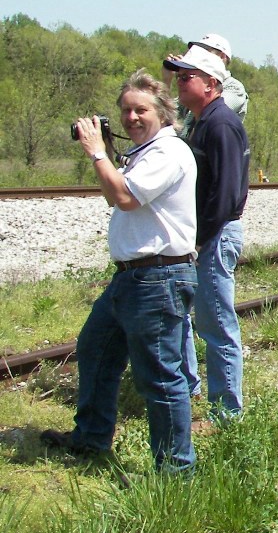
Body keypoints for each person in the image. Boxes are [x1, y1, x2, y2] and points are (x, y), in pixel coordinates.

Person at [41, 70, 198, 472]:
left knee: (160, 378)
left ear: (163, 113)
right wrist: (107, 154)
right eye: (125, 110)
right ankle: (91, 439)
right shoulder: (145, 152)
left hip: (157, 278)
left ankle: (175, 472)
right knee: (95, 350)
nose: (131, 118)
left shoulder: (168, 153)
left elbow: (124, 197)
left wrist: (97, 152)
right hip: (131, 278)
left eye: (140, 110)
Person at [164, 46, 250, 423]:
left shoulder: (220, 123)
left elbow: (226, 193)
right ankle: (191, 391)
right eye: (179, 77)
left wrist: (200, 240)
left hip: (215, 237)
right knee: (188, 317)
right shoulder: (203, 120)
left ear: (211, 84)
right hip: (204, 236)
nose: (180, 84)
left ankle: (226, 415)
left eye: (187, 77)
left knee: (216, 326)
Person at [163, 33, 248, 138]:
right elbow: (167, 115)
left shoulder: (234, 88)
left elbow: (210, 113)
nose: (196, 55)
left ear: (222, 57)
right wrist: (168, 81)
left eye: (204, 51)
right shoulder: (194, 91)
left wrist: (191, 76)